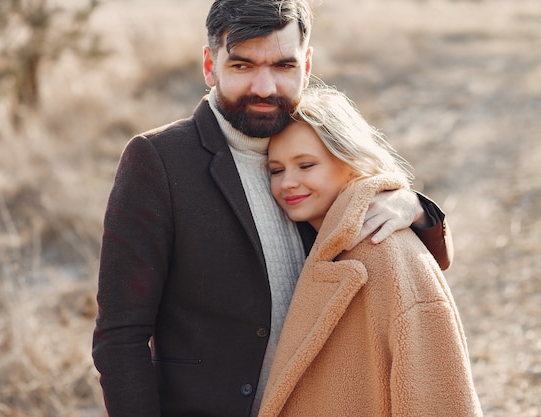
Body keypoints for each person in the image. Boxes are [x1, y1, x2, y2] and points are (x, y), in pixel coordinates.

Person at [92, 1, 453, 416]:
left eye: (283, 66)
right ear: (210, 65)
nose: (265, 88)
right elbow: (121, 334)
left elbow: (427, 263)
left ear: (306, 64)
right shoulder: (157, 159)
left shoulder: (316, 143)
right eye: (243, 66)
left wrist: (411, 205)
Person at [258, 85, 481, 416]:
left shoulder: (383, 249)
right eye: (276, 170)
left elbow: (437, 391)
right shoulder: (309, 239)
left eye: (306, 165)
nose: (287, 182)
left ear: (350, 162)